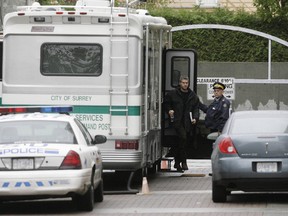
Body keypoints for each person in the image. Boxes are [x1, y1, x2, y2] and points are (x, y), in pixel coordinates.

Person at [164, 76, 200, 172]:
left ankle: (177, 163)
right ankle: (183, 162)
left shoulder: (192, 95)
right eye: (183, 83)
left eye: (186, 83)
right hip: (177, 121)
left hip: (187, 122)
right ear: (180, 83)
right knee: (183, 138)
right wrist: (169, 110)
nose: (185, 84)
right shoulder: (173, 94)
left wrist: (195, 118)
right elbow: (166, 104)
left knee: (181, 143)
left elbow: (196, 108)